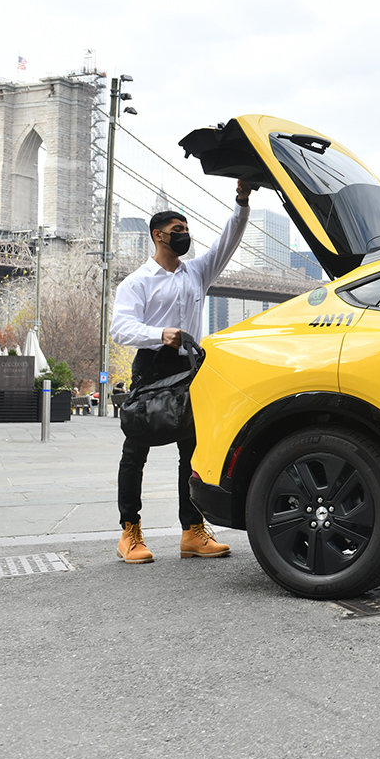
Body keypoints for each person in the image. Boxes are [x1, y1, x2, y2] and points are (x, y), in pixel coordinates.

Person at [109, 181, 253, 564]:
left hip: (190, 370)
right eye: (177, 230)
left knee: (192, 452)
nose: (184, 235)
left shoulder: (197, 273)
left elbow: (228, 241)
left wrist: (242, 202)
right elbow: (120, 328)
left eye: (187, 229)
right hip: (152, 367)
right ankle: (129, 532)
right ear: (158, 235)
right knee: (135, 450)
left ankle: (192, 531)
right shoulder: (137, 282)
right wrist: (160, 334)